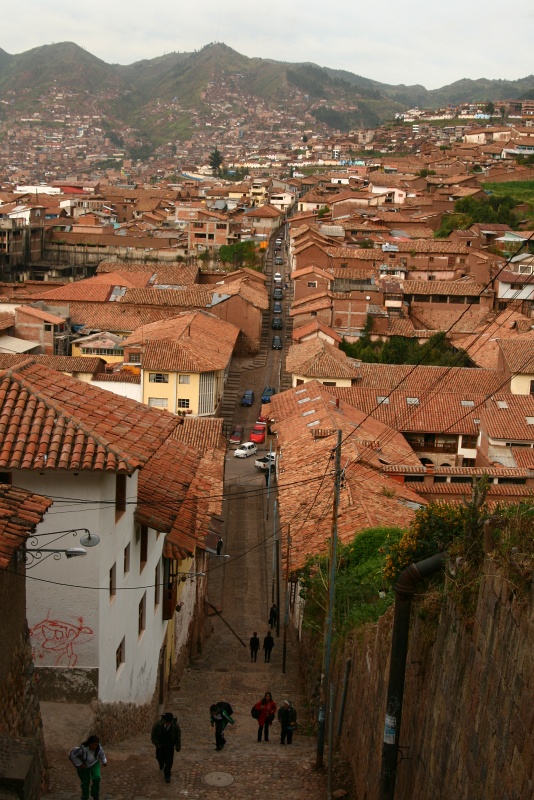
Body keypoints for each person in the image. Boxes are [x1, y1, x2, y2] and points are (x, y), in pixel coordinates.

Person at [70, 735, 107, 800]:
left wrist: (104, 761)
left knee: (97, 778)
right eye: (93, 745)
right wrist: (80, 764)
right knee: (85, 782)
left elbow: (102, 754)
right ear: (89, 744)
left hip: (94, 763)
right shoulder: (82, 749)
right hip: (84, 767)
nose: (94, 747)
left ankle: (95, 795)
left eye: (96, 745)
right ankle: (85, 797)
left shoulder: (99, 748)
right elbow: (73, 755)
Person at [151, 711, 181, 784]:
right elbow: (153, 736)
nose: (167, 724)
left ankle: (167, 774)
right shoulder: (158, 725)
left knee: (169, 760)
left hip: (170, 745)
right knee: (159, 757)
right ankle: (161, 764)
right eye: (166, 722)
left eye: (169, 722)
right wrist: (157, 744)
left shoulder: (175, 727)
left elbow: (178, 737)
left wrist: (178, 746)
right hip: (160, 744)